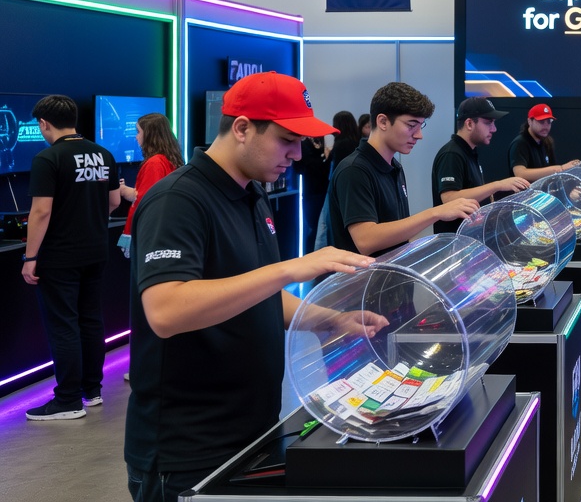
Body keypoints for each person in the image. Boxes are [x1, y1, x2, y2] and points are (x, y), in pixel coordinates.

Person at [124, 72, 385, 502]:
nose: (298, 155)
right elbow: (166, 311)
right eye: (287, 140)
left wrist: (331, 320)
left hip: (252, 431)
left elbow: (259, 292)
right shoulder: (179, 201)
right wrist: (290, 269)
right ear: (242, 128)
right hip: (187, 449)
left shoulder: (252, 194)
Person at [20, 94, 120, 421]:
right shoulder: (102, 153)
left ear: (44, 123)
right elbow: (115, 201)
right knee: (90, 320)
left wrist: (30, 256)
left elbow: (41, 211)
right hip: (96, 249)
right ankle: (91, 392)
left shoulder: (48, 158)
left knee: (63, 325)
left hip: (60, 255)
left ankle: (67, 400)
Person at [328, 83, 481, 256]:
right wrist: (435, 213)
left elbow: (396, 233)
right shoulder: (354, 170)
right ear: (383, 121)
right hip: (366, 282)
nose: (418, 135)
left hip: (393, 280)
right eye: (411, 125)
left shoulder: (395, 167)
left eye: (420, 126)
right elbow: (366, 239)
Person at [430, 97, 530, 233]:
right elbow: (449, 198)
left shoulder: (469, 151)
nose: (494, 129)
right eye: (488, 123)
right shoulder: (452, 154)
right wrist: (497, 185)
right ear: (469, 124)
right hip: (456, 244)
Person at [117, 113, 184, 259]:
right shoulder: (169, 159)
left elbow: (146, 202)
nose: (136, 137)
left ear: (150, 135)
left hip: (149, 235)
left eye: (138, 132)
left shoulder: (154, 163)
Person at [313, 110, 360, 250]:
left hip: (334, 190)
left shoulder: (341, 145)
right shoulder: (357, 143)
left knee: (325, 226)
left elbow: (333, 170)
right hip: (351, 191)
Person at [507, 103, 581, 183]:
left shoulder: (546, 142)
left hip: (543, 193)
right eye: (541, 121)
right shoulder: (520, 143)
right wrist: (560, 168)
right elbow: (520, 173)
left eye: (549, 122)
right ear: (529, 121)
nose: (546, 126)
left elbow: (551, 174)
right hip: (526, 194)